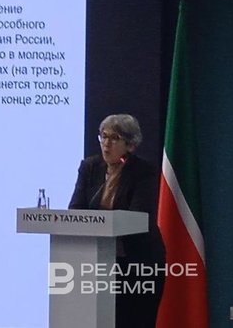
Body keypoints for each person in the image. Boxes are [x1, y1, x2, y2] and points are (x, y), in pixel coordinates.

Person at [68, 114, 165, 328]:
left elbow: (139, 215)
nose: (106, 143)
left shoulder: (144, 172)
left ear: (130, 145)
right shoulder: (90, 167)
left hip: (138, 262)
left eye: (114, 138)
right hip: (97, 261)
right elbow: (75, 209)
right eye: (103, 136)